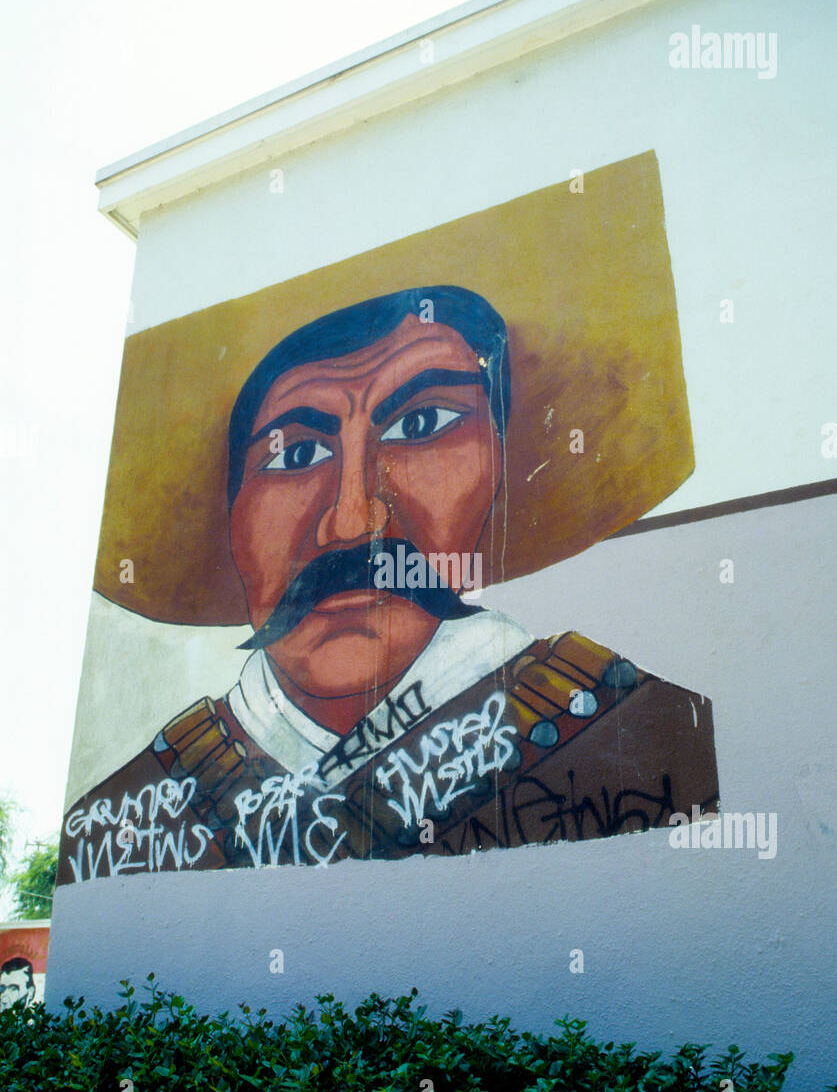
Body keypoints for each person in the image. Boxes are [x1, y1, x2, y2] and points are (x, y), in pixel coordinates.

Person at [57, 287, 718, 883]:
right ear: (230, 520)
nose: (352, 522)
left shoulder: (655, 740)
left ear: (498, 471)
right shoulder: (118, 824)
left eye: (421, 424)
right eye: (294, 455)